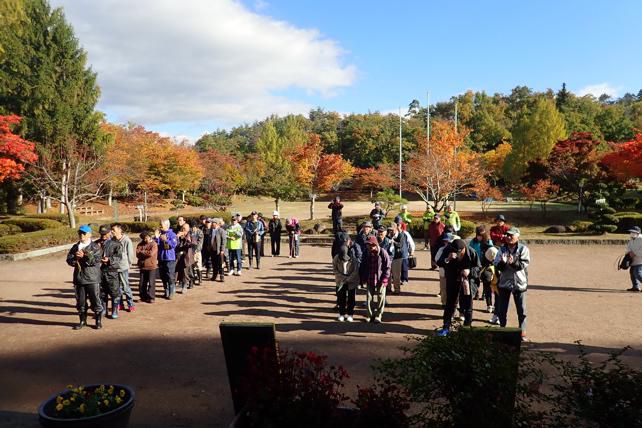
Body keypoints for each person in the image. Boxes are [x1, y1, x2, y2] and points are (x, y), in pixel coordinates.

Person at [436, 239, 481, 336]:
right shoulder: (448, 249)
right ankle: (446, 327)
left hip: (467, 281)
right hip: (452, 278)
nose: (455, 253)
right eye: (453, 250)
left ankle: (467, 328)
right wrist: (447, 259)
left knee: (468, 305)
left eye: (457, 251)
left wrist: (469, 271)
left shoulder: (472, 252)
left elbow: (478, 268)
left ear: (463, 249)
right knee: (450, 303)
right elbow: (439, 262)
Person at [493, 227, 530, 342]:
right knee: (502, 310)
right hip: (504, 283)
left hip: (519, 283)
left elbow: (523, 264)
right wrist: (503, 263)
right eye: (507, 235)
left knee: (522, 310)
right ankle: (502, 330)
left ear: (517, 237)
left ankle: (522, 333)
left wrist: (513, 262)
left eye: (511, 235)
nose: (508, 237)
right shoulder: (502, 249)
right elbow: (496, 264)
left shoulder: (523, 249)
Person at [66, 225, 104, 330]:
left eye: (84, 233)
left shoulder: (96, 247)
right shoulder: (75, 247)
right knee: (80, 302)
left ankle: (98, 321)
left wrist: (84, 256)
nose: (81, 235)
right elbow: (69, 260)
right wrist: (75, 258)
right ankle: (82, 321)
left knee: (96, 300)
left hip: (92, 278)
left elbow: (95, 261)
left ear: (89, 235)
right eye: (80, 233)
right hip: (79, 278)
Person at [95, 225, 122, 319]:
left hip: (111, 271)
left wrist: (109, 260)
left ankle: (114, 310)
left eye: (105, 234)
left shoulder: (115, 244)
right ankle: (103, 309)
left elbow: (119, 258)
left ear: (110, 232)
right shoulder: (96, 243)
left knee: (114, 292)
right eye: (101, 234)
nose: (103, 236)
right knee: (102, 292)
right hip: (99, 271)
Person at [363, 236, 391, 323]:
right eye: (368, 245)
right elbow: (363, 266)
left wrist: (385, 278)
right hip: (370, 277)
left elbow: (387, 267)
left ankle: (379, 315)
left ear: (375, 244)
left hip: (380, 278)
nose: (369, 247)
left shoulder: (383, 252)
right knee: (369, 298)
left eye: (371, 245)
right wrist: (363, 278)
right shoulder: (366, 252)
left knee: (380, 297)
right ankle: (370, 315)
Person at [111, 223, 136, 312]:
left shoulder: (126, 240)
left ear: (120, 230)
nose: (112, 231)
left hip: (123, 267)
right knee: (117, 288)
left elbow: (130, 254)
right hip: (114, 267)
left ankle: (130, 304)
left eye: (114, 230)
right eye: (112, 230)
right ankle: (119, 304)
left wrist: (129, 264)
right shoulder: (112, 240)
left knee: (126, 287)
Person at [333, 245, 360, 322]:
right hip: (340, 281)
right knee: (341, 298)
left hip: (351, 281)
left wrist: (348, 279)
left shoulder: (354, 259)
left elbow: (355, 271)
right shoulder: (336, 258)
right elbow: (335, 270)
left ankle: (350, 314)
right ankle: (341, 314)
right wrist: (343, 278)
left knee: (351, 298)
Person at [469, 225, 494, 304]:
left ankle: (485, 295)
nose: (479, 237)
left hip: (485, 264)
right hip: (475, 263)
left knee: (486, 280)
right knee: (475, 279)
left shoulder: (488, 242)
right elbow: (470, 250)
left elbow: (491, 252)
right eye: (478, 235)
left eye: (481, 235)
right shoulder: (473, 241)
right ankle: (476, 292)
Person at [155, 219, 178, 299]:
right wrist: (156, 237)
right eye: (160, 225)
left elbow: (174, 245)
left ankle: (171, 291)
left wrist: (166, 240)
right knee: (163, 275)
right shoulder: (160, 234)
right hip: (161, 258)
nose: (160, 226)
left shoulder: (172, 234)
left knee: (170, 275)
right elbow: (156, 245)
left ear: (167, 225)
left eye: (162, 225)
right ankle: (166, 290)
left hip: (169, 258)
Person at [136, 231, 158, 303]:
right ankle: (143, 297)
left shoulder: (154, 244)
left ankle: (151, 297)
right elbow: (137, 254)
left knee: (151, 283)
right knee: (142, 283)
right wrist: (145, 252)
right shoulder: (140, 244)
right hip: (142, 266)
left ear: (149, 236)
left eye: (146, 238)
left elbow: (151, 253)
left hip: (151, 266)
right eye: (143, 239)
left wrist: (142, 252)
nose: (145, 240)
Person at [388, 222, 410, 295]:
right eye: (389, 230)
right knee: (388, 274)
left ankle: (397, 289)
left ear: (396, 228)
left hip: (397, 257)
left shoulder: (401, 235)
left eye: (392, 230)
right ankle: (388, 289)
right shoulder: (388, 236)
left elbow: (400, 245)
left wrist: (393, 241)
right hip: (389, 257)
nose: (391, 231)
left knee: (396, 275)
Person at [175, 223, 194, 292]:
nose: (183, 230)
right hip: (178, 256)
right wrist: (177, 237)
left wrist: (187, 239)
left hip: (187, 257)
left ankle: (184, 285)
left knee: (185, 272)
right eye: (182, 228)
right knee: (177, 271)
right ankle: (176, 285)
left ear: (188, 229)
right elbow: (175, 244)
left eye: (185, 229)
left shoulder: (190, 235)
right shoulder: (178, 235)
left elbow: (193, 244)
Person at [355, 221, 374, 287]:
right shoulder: (359, 236)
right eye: (365, 227)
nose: (366, 228)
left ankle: (365, 281)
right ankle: (360, 282)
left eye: (367, 227)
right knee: (360, 268)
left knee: (368, 269)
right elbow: (357, 245)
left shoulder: (373, 236)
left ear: (370, 228)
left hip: (370, 254)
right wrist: (359, 254)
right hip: (361, 254)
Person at [625, 226, 642, 291]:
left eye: (633, 232)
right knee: (632, 272)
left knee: (637, 273)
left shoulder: (641, 238)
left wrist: (635, 253)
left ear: (638, 233)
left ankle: (636, 286)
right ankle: (635, 286)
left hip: (640, 260)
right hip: (633, 260)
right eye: (631, 232)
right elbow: (628, 247)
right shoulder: (631, 239)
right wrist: (629, 252)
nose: (632, 233)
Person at [190, 220, 204, 285]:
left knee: (198, 264)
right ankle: (193, 278)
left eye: (194, 227)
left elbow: (200, 242)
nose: (193, 228)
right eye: (192, 227)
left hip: (197, 251)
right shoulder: (190, 232)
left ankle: (200, 278)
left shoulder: (200, 232)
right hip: (191, 251)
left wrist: (196, 249)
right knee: (192, 265)